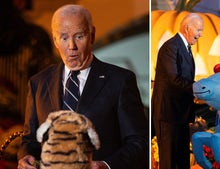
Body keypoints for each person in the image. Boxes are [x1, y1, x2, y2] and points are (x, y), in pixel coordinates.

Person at [17, 4, 148, 169]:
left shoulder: (120, 80)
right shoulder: (38, 83)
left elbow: (138, 142)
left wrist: (106, 165)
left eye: (79, 36)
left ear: (92, 35)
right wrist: (26, 156)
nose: (72, 46)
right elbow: (29, 140)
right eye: (64, 38)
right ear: (55, 40)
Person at [152, 13, 203, 169]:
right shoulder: (171, 47)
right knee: (169, 161)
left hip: (180, 114)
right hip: (168, 114)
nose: (201, 34)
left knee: (182, 160)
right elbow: (174, 79)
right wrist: (199, 89)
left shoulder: (185, 47)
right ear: (187, 27)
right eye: (199, 30)